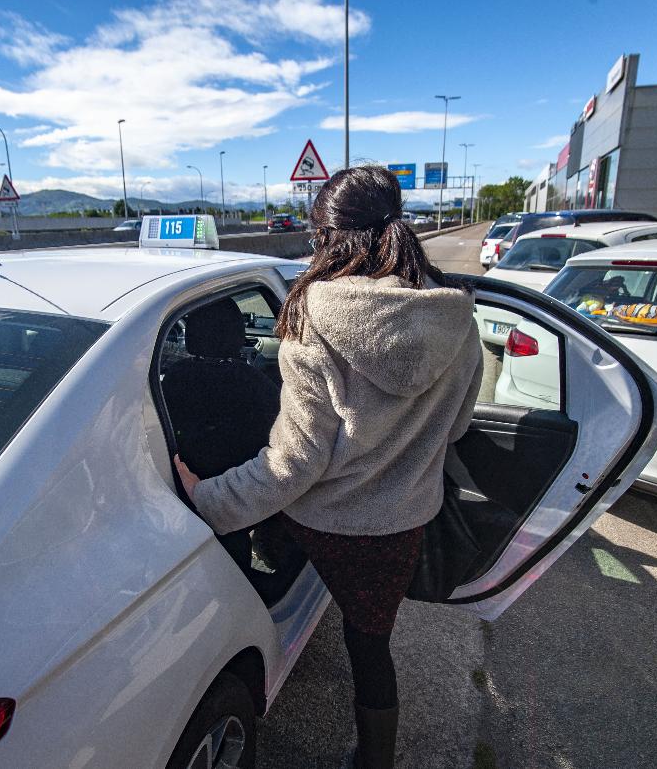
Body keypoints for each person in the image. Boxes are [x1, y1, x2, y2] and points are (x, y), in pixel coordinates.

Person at [173, 164, 483, 769]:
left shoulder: (313, 317)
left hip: (323, 525)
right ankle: (374, 761)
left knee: (255, 537)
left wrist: (203, 496)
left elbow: (290, 467)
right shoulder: (457, 317)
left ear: (329, 237)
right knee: (371, 648)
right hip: (400, 529)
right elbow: (460, 427)